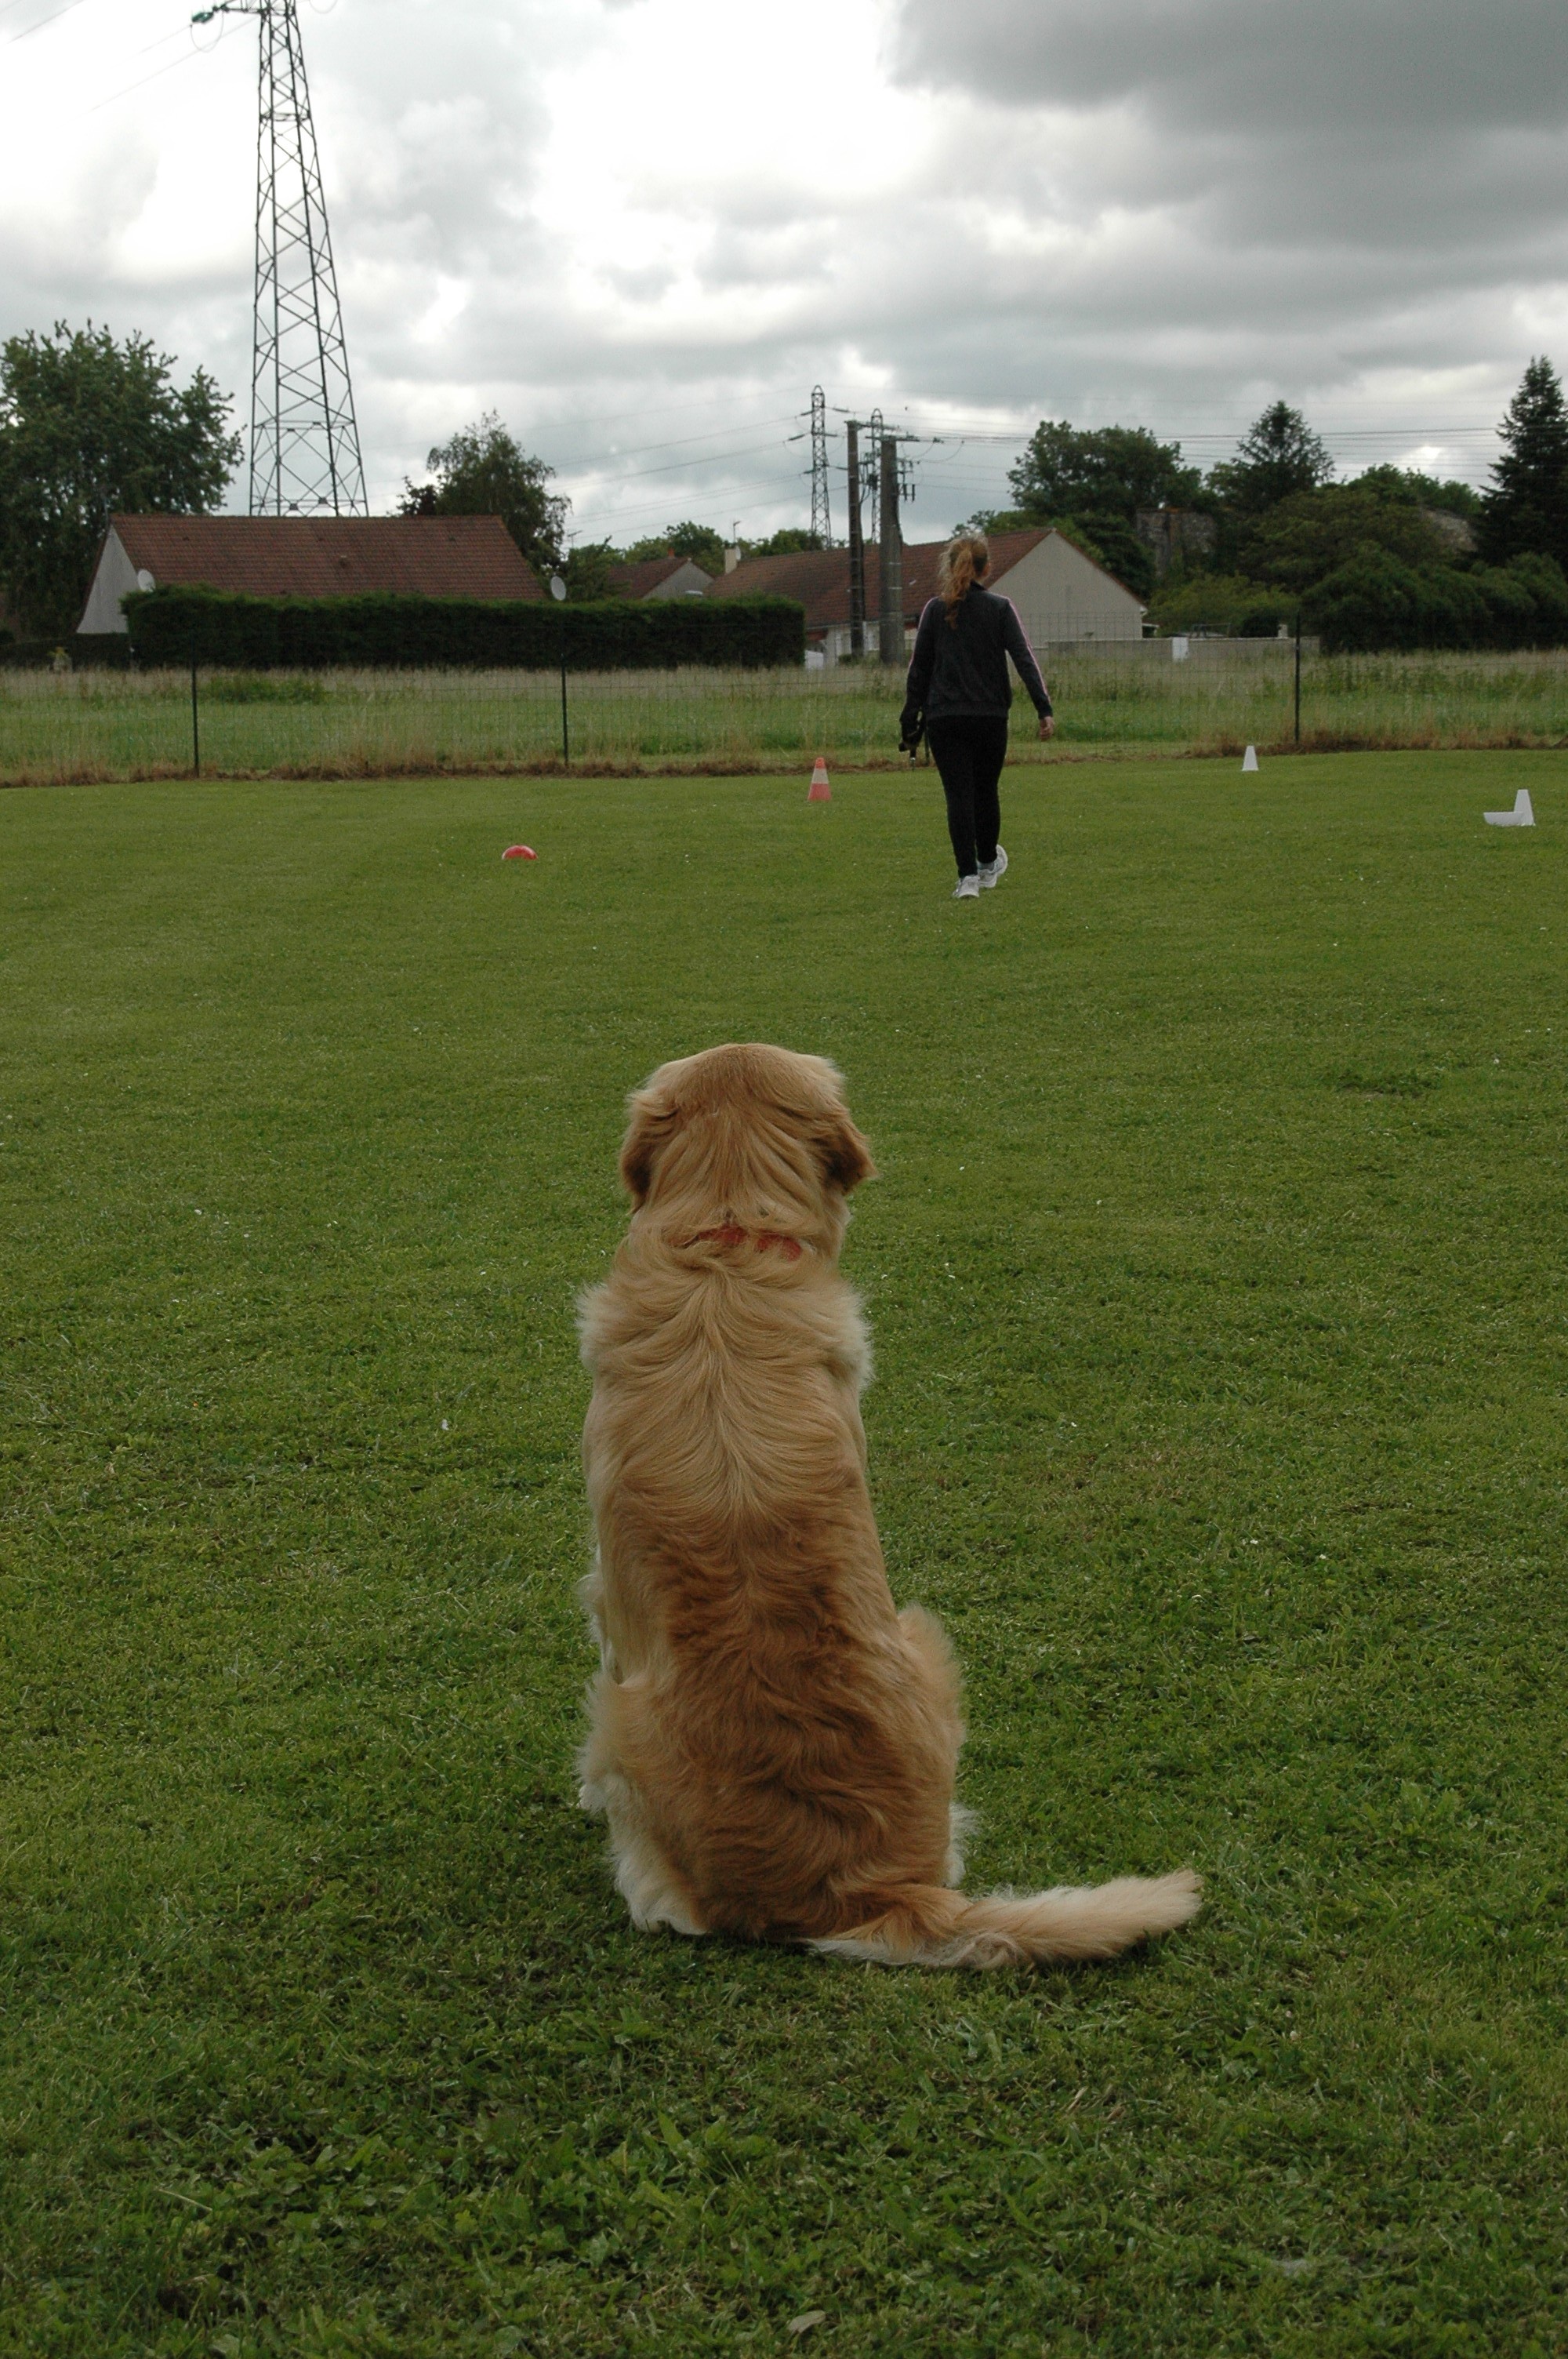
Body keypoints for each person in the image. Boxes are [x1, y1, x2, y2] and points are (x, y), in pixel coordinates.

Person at [898, 533, 1054, 899]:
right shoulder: (1001, 608)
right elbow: (1024, 658)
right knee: (986, 791)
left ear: (950, 566)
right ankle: (986, 863)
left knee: (958, 796)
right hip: (989, 716)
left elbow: (918, 669)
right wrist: (1043, 708)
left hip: (945, 717)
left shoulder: (934, 610)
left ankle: (966, 878)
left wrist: (910, 718)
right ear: (987, 569)